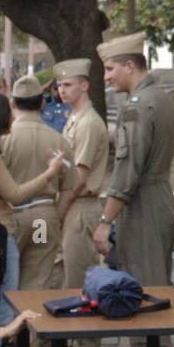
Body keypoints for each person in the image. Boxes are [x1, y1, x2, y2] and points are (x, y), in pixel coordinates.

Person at [0, 94, 65, 347]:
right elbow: (17, 193)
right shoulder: (56, 136)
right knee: (31, 286)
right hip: (37, 218)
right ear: (42, 103)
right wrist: (50, 173)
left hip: (11, 223)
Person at [92, 31, 174, 283]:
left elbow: (127, 170)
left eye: (110, 69)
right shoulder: (160, 97)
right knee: (157, 282)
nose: (106, 77)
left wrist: (105, 221)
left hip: (143, 208)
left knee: (144, 289)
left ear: (129, 66)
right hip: (159, 199)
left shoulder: (136, 107)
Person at [2, 75, 75, 291]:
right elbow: (68, 189)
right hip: (42, 217)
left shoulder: (3, 139)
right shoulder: (59, 139)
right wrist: (56, 216)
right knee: (37, 277)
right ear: (42, 102)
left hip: (11, 218)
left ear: (13, 103)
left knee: (8, 281)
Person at [53, 59, 110, 286]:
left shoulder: (87, 123)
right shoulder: (75, 118)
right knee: (68, 275)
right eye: (59, 85)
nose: (62, 90)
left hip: (79, 205)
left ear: (84, 86)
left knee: (77, 282)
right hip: (73, 205)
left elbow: (78, 178)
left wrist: (58, 212)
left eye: (68, 85)